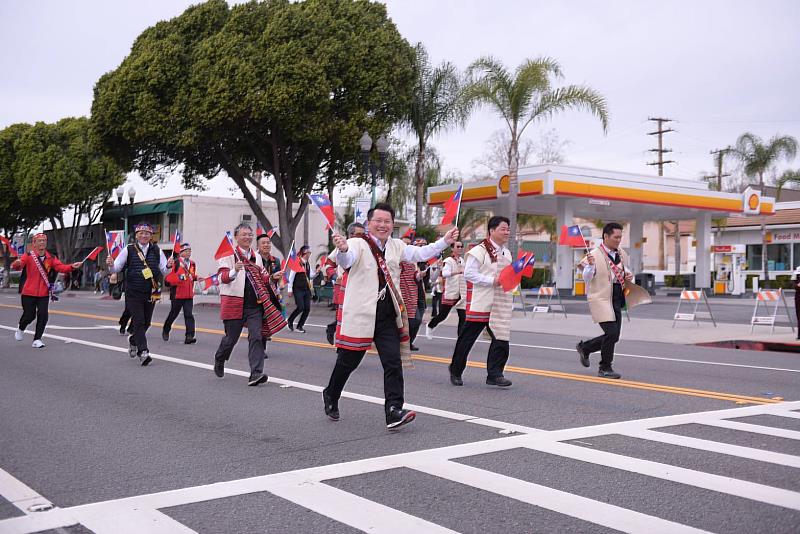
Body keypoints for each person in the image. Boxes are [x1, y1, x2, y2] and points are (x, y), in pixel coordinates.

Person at [324, 202, 458, 430]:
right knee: (349, 361)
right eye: (378, 221)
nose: (383, 225)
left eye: (387, 221)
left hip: (387, 314)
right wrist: (344, 250)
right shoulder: (356, 243)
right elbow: (346, 262)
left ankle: (394, 410)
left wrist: (445, 241)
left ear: (393, 225)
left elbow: (422, 253)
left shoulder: (397, 246)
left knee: (393, 362)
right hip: (361, 313)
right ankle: (331, 393)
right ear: (369, 223)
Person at [213, 223, 285, 386]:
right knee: (231, 338)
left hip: (254, 304)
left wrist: (273, 278)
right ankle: (220, 357)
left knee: (257, 337)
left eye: (249, 235)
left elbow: (263, 277)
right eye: (244, 234)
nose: (247, 237)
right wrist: (234, 270)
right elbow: (221, 277)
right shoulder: (228, 255)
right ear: (236, 237)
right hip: (234, 302)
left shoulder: (256, 257)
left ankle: (256, 373)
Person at [448, 216, 514, 388]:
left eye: (508, 229)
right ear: (492, 231)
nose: (507, 232)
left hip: (501, 302)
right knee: (468, 338)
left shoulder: (506, 252)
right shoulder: (480, 250)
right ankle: (455, 370)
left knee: (501, 337)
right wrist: (491, 280)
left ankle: (495, 373)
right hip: (482, 301)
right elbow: (469, 273)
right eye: (503, 229)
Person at [107, 222, 170, 366]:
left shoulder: (156, 251)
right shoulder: (128, 250)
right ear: (136, 235)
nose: (144, 235)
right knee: (139, 321)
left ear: (151, 236)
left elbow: (165, 271)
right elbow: (116, 268)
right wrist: (110, 264)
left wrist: (169, 266)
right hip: (133, 292)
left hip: (151, 292)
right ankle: (144, 352)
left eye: (147, 233)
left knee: (147, 322)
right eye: (141, 233)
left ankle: (133, 340)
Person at [576, 222, 633, 379]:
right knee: (611, 332)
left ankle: (586, 348)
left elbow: (623, 269)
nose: (618, 240)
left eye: (620, 237)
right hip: (601, 297)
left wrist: (628, 274)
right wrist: (590, 266)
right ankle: (605, 367)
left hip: (616, 295)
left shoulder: (620, 253)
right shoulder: (593, 254)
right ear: (606, 236)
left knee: (615, 336)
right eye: (616, 237)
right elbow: (587, 278)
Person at [12, 233, 81, 348]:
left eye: (44, 240)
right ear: (34, 243)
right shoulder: (28, 256)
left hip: (44, 293)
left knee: (43, 314)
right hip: (28, 292)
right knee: (30, 315)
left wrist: (72, 266)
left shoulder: (51, 258)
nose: (42, 243)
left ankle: (37, 339)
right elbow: (19, 265)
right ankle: (21, 328)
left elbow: (61, 267)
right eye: (39, 241)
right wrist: (17, 263)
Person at [324, 222, 365, 345]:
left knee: (354, 317)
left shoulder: (366, 247)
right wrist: (335, 276)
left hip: (359, 289)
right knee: (342, 316)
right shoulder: (341, 247)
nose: (362, 237)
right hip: (342, 287)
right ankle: (340, 343)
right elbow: (328, 265)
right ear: (351, 234)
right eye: (359, 234)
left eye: (364, 234)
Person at [426, 241, 466, 338]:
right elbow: (445, 274)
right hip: (451, 292)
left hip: (462, 293)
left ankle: (460, 339)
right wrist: (457, 272)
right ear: (452, 248)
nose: (460, 248)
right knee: (443, 315)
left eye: (461, 246)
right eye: (458, 246)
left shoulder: (462, 260)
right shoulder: (448, 260)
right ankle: (430, 325)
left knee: (463, 317)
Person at [162, 243, 198, 344]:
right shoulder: (176, 262)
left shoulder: (192, 263)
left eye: (189, 251)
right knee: (174, 313)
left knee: (189, 314)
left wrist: (196, 277)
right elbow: (170, 275)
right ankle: (166, 329)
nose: (188, 253)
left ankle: (189, 336)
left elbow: (191, 275)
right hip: (177, 293)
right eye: (186, 251)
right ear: (181, 253)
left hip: (188, 294)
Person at [255, 232, 285, 350]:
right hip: (256, 295)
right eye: (263, 243)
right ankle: (257, 346)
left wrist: (280, 281)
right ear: (258, 245)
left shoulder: (275, 261)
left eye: (268, 242)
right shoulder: (254, 259)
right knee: (257, 322)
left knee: (266, 322)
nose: (266, 245)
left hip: (271, 295)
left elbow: (277, 278)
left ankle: (261, 348)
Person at [287, 245, 314, 333]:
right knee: (300, 307)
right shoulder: (297, 262)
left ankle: (300, 326)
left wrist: (317, 272)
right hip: (298, 288)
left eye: (310, 252)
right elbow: (291, 276)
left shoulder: (307, 264)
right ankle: (290, 320)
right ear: (304, 253)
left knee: (307, 308)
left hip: (306, 289)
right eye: (308, 252)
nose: (309, 254)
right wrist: (289, 289)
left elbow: (311, 275)